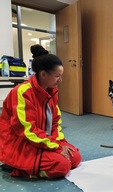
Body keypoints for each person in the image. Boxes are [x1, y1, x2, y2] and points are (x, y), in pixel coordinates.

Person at [0, 45, 82, 179]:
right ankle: (19, 167)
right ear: (43, 74)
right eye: (57, 76)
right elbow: (27, 131)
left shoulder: (52, 92)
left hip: (41, 139)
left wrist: (58, 143)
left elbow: (56, 123)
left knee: (75, 158)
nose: (60, 80)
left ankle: (39, 162)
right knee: (62, 166)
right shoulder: (22, 92)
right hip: (22, 142)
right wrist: (56, 148)